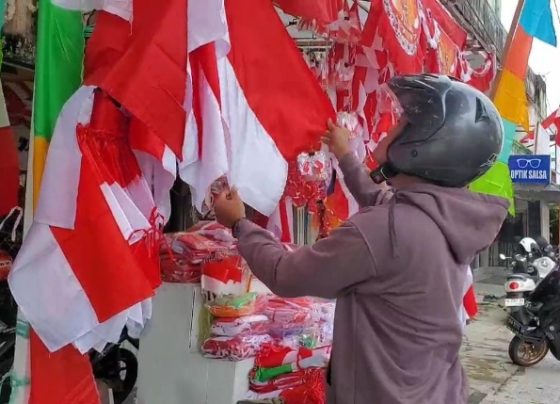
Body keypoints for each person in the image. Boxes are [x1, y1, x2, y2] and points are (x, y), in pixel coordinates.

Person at [213, 74, 509, 404]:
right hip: (435, 391)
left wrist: (239, 223)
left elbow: (286, 274)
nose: (390, 128)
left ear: (421, 144)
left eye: (402, 123)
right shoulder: (440, 217)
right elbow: (379, 198)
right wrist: (345, 155)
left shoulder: (389, 229)